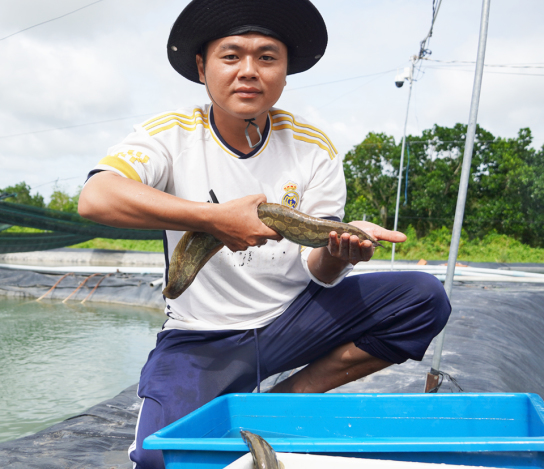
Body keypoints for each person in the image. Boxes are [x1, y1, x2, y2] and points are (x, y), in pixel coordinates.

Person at [78, 1, 451, 467]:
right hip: (201, 337)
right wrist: (213, 218)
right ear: (202, 66)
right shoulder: (168, 136)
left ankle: (284, 400)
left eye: (267, 57)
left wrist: (339, 250)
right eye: (231, 56)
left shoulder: (314, 149)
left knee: (422, 296)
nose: (249, 71)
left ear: (286, 71)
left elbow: (320, 274)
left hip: (292, 319)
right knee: (161, 458)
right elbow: (96, 197)